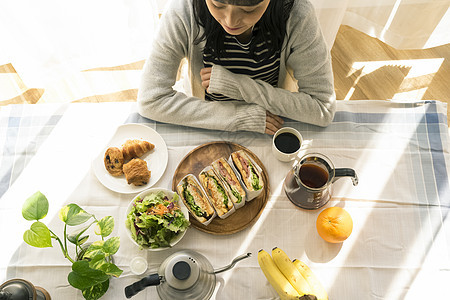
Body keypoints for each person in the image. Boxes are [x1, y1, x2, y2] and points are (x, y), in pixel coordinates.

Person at [137, 0, 336, 135]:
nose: (230, 21)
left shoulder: (297, 14)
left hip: (272, 122)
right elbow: (150, 99)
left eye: (249, 9)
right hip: (207, 121)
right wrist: (237, 117)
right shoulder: (184, 10)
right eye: (217, 4)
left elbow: (322, 108)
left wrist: (239, 86)